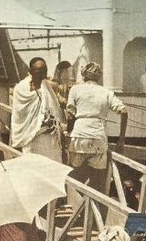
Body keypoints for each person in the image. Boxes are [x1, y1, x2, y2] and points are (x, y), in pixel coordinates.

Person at [66, 62, 128, 193]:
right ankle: (93, 210)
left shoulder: (75, 89)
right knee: (97, 181)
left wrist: (67, 133)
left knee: (74, 177)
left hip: (79, 135)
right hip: (98, 137)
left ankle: (75, 206)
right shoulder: (106, 92)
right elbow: (124, 111)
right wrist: (121, 140)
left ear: (83, 76)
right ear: (99, 77)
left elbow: (70, 115)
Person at [10, 57, 64, 162]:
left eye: (45, 71)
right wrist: (38, 123)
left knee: (51, 170)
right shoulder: (21, 89)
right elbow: (19, 116)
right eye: (40, 71)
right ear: (31, 71)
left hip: (49, 138)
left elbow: (54, 110)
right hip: (31, 138)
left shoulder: (47, 87)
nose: (44, 75)